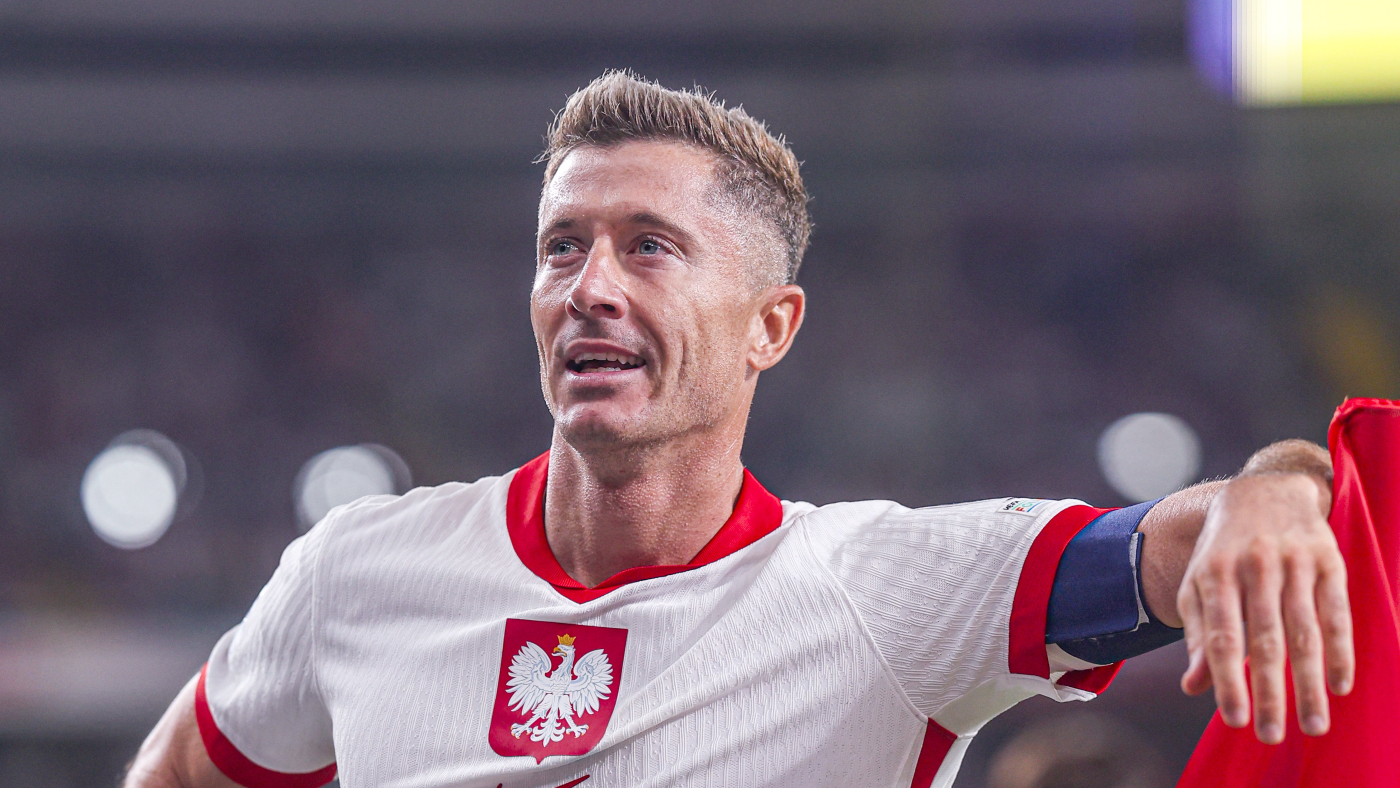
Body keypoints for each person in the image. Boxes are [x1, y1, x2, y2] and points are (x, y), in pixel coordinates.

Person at [123, 72, 1353, 788]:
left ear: (771, 324)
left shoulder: (888, 592)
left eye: (648, 246)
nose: (588, 287)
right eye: (562, 246)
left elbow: (1175, 544)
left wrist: (1277, 485)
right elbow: (180, 770)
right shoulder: (355, 569)